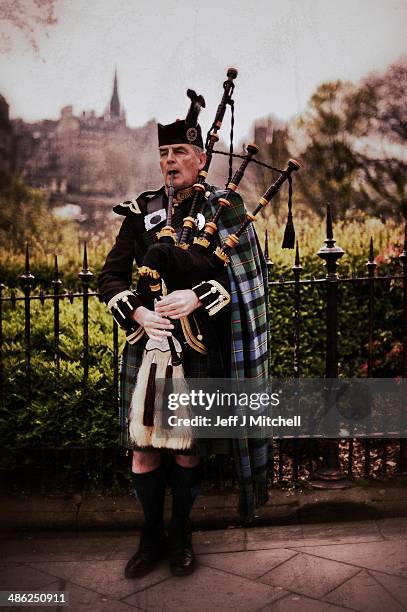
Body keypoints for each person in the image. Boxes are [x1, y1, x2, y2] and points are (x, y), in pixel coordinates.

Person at [98, 90, 269, 579]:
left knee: (189, 446)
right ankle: (149, 536)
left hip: (198, 344)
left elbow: (245, 278)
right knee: (145, 447)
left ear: (201, 159)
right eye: (164, 155)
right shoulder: (143, 210)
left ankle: (181, 535)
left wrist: (199, 297)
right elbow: (109, 277)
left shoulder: (227, 209)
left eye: (179, 154)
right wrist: (136, 312)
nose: (170, 162)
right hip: (148, 344)